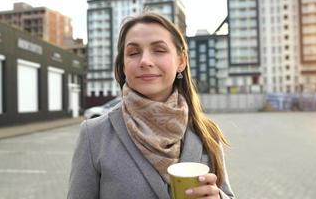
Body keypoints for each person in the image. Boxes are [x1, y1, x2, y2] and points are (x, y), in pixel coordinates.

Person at [68, 12, 235, 199]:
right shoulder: (94, 135)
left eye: (159, 50)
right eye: (133, 53)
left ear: (181, 61)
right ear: (123, 65)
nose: (145, 61)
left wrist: (218, 197)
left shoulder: (207, 132)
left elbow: (228, 194)